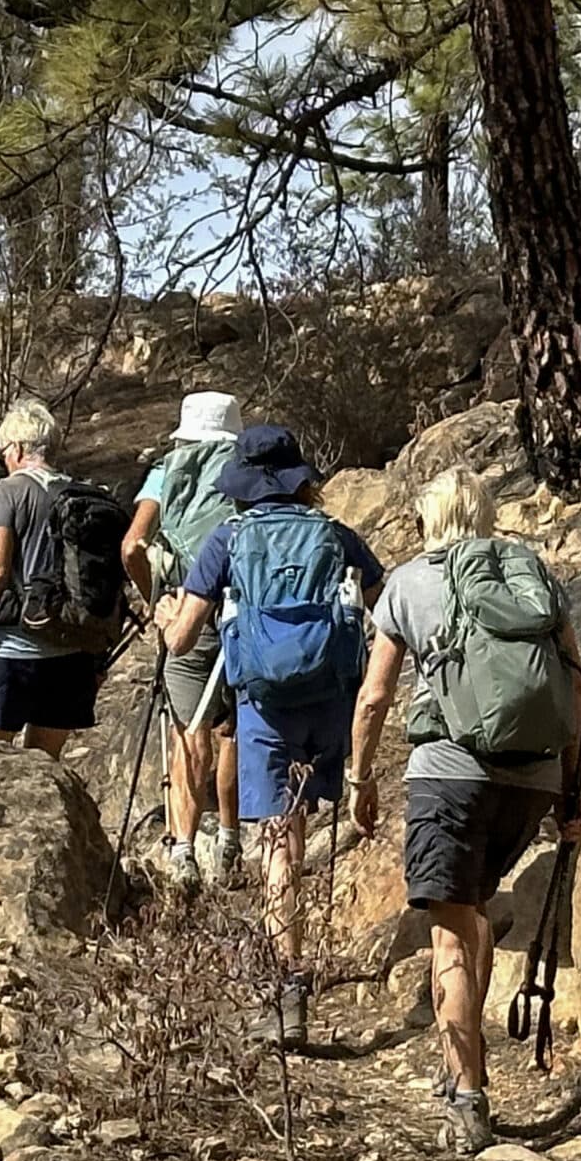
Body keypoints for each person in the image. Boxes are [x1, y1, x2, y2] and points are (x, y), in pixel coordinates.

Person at [349, 467, 581, 1157]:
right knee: (475, 909)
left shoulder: (410, 583)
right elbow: (571, 685)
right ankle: (468, 1062)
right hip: (532, 780)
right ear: (485, 516)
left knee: (450, 935)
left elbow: (374, 698)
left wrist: (360, 776)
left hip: (448, 775)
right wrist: (573, 792)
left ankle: (466, 1097)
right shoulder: (531, 575)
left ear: (428, 521)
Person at [164, 424, 384, 1047]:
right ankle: (298, 965)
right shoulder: (334, 535)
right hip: (329, 700)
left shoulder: (227, 539)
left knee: (278, 842)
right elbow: (381, 601)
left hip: (263, 704)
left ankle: (287, 984)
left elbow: (182, 639)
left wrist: (164, 620)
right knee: (302, 825)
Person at [122, 390, 246, 889]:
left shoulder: (165, 469)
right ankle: (231, 841)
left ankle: (184, 849)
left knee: (184, 728)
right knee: (230, 729)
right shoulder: (245, 468)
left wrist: (156, 599)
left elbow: (133, 544)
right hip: (239, 612)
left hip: (182, 610)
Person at [0, 396, 109, 757]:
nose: (5, 460)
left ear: (19, 449)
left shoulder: (10, 491)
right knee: (45, 764)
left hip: (16, 650)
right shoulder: (81, 495)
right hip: (74, 652)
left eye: (4, 451)